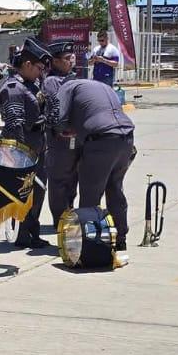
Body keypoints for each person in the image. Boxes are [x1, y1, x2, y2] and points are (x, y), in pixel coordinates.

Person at [53, 76, 135, 264]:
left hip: (101, 140)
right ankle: (120, 240)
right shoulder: (101, 86)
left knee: (90, 197)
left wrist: (66, 131)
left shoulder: (67, 88)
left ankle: (89, 244)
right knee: (115, 189)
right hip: (126, 138)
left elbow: (59, 119)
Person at [0, 38, 51, 249]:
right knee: (25, 192)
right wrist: (22, 157)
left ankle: (31, 232)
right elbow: (14, 124)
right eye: (39, 67)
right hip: (24, 147)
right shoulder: (14, 87)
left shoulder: (31, 84)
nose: (41, 72)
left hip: (38, 144)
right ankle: (23, 233)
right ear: (27, 65)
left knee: (38, 191)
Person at [41, 40, 82, 227]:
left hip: (76, 139)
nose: (71, 60)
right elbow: (55, 109)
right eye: (66, 58)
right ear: (55, 61)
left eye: (72, 56)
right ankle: (60, 221)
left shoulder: (74, 78)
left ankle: (69, 214)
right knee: (59, 182)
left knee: (72, 181)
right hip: (60, 140)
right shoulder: (51, 82)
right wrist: (62, 129)